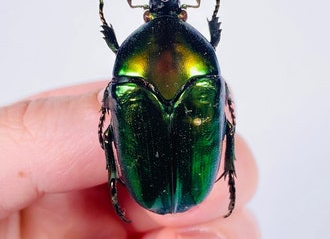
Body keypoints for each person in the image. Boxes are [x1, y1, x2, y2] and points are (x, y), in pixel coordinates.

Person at [0, 81, 259, 238]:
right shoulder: (210, 85)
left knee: (108, 132)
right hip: (183, 190)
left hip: (152, 191)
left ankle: (114, 179)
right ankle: (232, 178)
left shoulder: (125, 88)